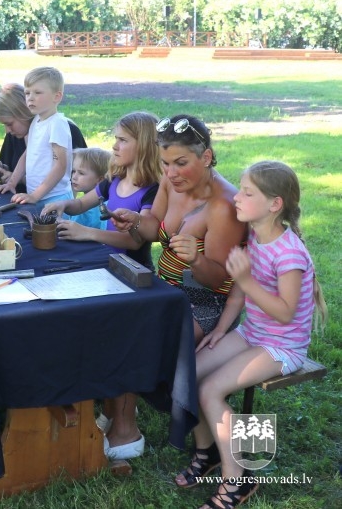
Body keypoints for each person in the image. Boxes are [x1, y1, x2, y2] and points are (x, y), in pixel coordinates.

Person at [174, 160, 327, 509]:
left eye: (247, 193)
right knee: (188, 373)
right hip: (251, 333)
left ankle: (238, 481)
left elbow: (284, 312)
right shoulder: (255, 236)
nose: (236, 198)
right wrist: (222, 330)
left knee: (210, 390)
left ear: (275, 204)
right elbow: (239, 296)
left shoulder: (289, 254)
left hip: (282, 347)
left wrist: (244, 280)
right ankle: (209, 450)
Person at [104, 114, 245, 462]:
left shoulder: (223, 207)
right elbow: (156, 229)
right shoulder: (171, 182)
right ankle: (116, 410)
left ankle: (126, 427)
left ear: (207, 157)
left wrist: (194, 259)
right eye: (165, 163)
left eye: (181, 163)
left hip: (206, 303)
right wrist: (137, 221)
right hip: (166, 289)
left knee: (143, 344)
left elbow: (217, 281)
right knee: (108, 320)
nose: (170, 173)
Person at [43, 112, 161, 269]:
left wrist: (86, 232)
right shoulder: (114, 180)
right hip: (107, 263)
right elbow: (80, 204)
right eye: (116, 139)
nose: (115, 146)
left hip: (134, 271)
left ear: (144, 146)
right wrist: (63, 204)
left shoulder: (152, 190)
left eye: (123, 140)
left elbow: (134, 242)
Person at [0, 68, 74, 211]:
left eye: (37, 93)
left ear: (57, 97)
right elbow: (27, 155)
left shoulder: (57, 124)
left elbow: (60, 166)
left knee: (53, 234)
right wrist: (11, 183)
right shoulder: (37, 121)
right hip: (39, 197)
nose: (30, 97)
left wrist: (35, 196)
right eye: (27, 93)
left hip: (55, 198)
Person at [0, 82, 87, 192]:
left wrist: (20, 180)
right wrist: (1, 168)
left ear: (23, 112)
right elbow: (14, 169)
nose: (8, 130)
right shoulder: (15, 135)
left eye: (9, 124)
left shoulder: (64, 129)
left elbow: (82, 182)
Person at [67, 147, 111, 229]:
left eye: (81, 173)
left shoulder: (86, 209)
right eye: (73, 171)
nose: (74, 177)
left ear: (100, 180)